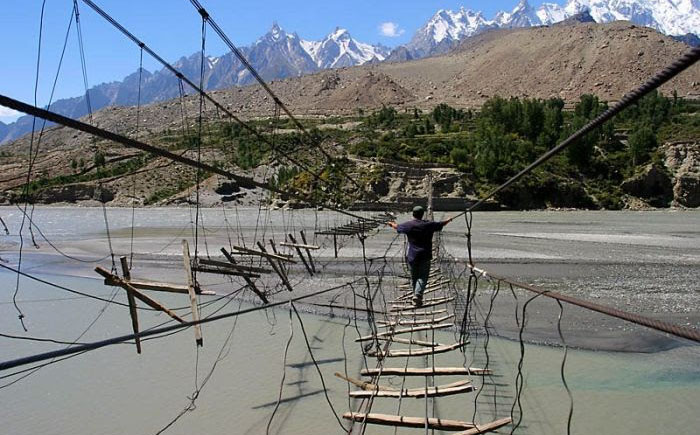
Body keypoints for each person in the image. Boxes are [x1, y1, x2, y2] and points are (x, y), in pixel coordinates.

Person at [388, 206, 453, 306]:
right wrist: (449, 220)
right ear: (422, 214)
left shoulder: (408, 225)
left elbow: (398, 227)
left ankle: (416, 297)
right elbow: (441, 224)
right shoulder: (429, 224)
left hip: (412, 256)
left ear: (413, 214)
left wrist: (391, 224)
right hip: (425, 255)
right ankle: (417, 295)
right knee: (422, 277)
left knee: (414, 277)